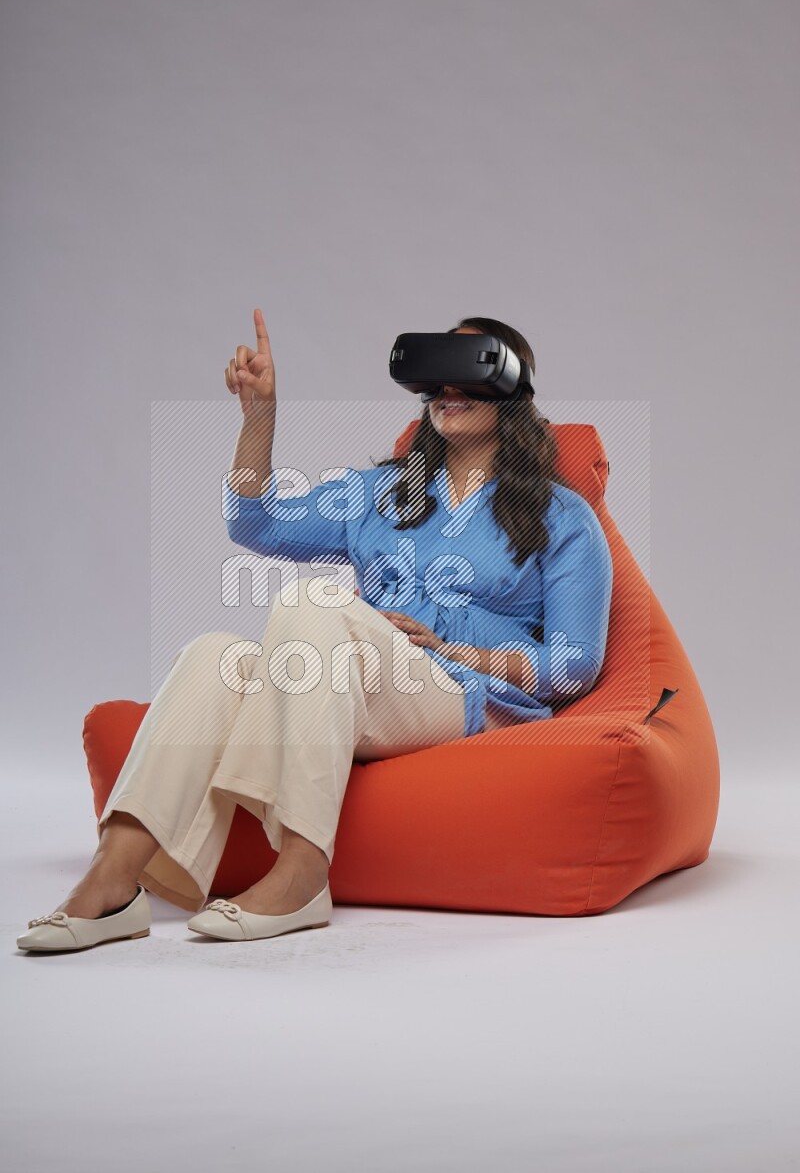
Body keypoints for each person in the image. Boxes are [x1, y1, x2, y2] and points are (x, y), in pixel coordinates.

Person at [17, 310, 613, 953]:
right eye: (435, 379)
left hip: (464, 697)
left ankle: (302, 874)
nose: (446, 392)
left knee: (313, 602)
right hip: (358, 679)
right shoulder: (384, 493)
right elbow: (257, 524)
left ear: (512, 389)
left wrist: (452, 649)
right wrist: (258, 416)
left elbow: (576, 666)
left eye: (465, 376)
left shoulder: (564, 518)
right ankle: (114, 882)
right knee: (212, 656)